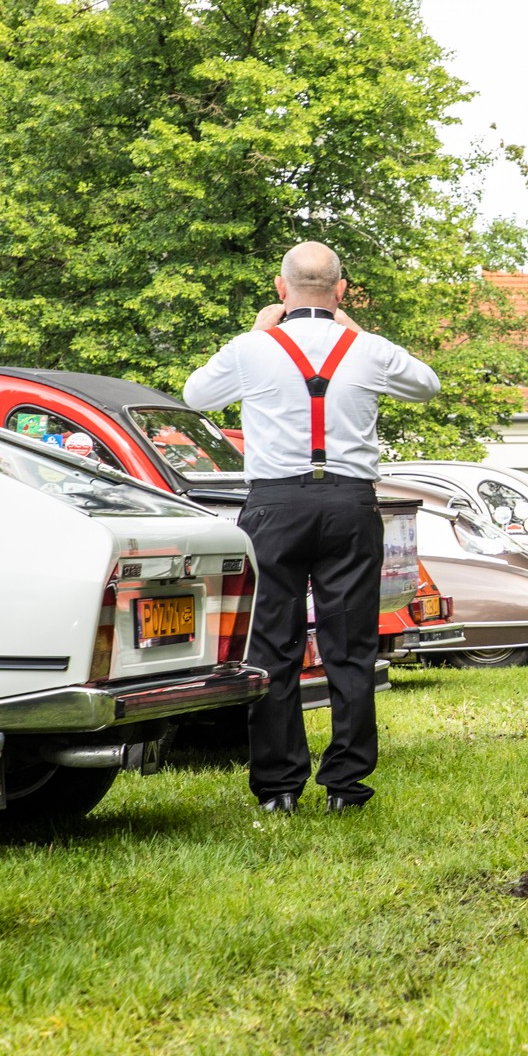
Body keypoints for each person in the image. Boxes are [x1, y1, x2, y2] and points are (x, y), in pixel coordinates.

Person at [183, 242, 439, 814]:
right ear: (341, 290)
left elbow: (195, 395)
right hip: (350, 505)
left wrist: (254, 331)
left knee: (273, 645)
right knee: (351, 648)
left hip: (274, 508)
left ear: (281, 290)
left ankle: (278, 788)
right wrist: (358, 330)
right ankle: (347, 787)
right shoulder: (367, 349)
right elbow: (427, 384)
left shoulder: (253, 348)